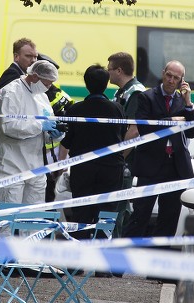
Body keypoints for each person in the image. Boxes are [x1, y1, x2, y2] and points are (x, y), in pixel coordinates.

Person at [123, 60, 194, 238]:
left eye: (176, 78)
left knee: (169, 218)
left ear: (182, 81)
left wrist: (188, 104)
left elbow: (193, 131)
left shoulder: (182, 101)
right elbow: (145, 129)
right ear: (163, 73)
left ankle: (159, 258)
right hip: (150, 166)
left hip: (175, 167)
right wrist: (173, 122)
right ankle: (123, 259)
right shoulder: (146, 97)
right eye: (168, 75)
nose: (171, 80)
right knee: (140, 215)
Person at [58, 64, 126, 240]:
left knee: (81, 214)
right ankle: (102, 264)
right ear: (106, 84)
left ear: (86, 84)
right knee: (107, 215)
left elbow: (66, 142)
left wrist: (60, 167)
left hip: (83, 170)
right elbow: (123, 135)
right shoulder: (117, 109)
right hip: (111, 169)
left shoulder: (76, 110)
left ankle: (79, 263)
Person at [0, 60, 62, 208]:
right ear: (34, 77)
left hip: (35, 164)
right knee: (7, 216)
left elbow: (45, 127)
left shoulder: (41, 96)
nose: (49, 88)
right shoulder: (11, 93)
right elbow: (8, 126)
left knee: (32, 218)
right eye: (47, 84)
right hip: (11, 163)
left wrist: (55, 133)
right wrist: (40, 125)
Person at [107, 52, 146, 237]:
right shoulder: (122, 92)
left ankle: (114, 260)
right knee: (123, 209)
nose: (108, 74)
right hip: (122, 160)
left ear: (119, 71)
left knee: (118, 210)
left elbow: (134, 130)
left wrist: (118, 157)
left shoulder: (136, 93)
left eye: (110, 70)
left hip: (126, 162)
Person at [37, 53, 76, 202]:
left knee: (47, 194)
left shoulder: (55, 97)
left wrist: (62, 161)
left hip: (51, 154)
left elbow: (69, 131)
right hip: (42, 153)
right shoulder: (46, 93)